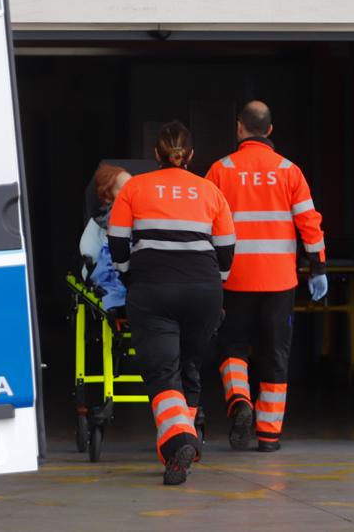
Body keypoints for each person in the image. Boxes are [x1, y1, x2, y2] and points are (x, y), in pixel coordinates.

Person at [108, 122, 234, 485]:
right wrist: (215, 285)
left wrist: (132, 276)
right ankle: (182, 447)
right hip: (204, 291)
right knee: (190, 366)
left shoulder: (134, 187)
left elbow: (118, 244)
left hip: (153, 290)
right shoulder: (210, 190)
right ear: (190, 155)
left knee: (163, 372)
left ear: (156, 154)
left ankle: (178, 438)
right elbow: (226, 250)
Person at [205, 101, 328, 453]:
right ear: (270, 130)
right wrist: (317, 266)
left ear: (239, 128)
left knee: (232, 348)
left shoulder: (220, 170)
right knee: (276, 353)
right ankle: (269, 435)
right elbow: (309, 222)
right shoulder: (290, 171)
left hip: (233, 278)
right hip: (279, 281)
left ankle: (239, 401)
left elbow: (204, 221)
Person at [79, 163, 131, 316]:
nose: (133, 191)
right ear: (108, 195)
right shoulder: (107, 220)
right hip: (106, 273)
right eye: (125, 188)